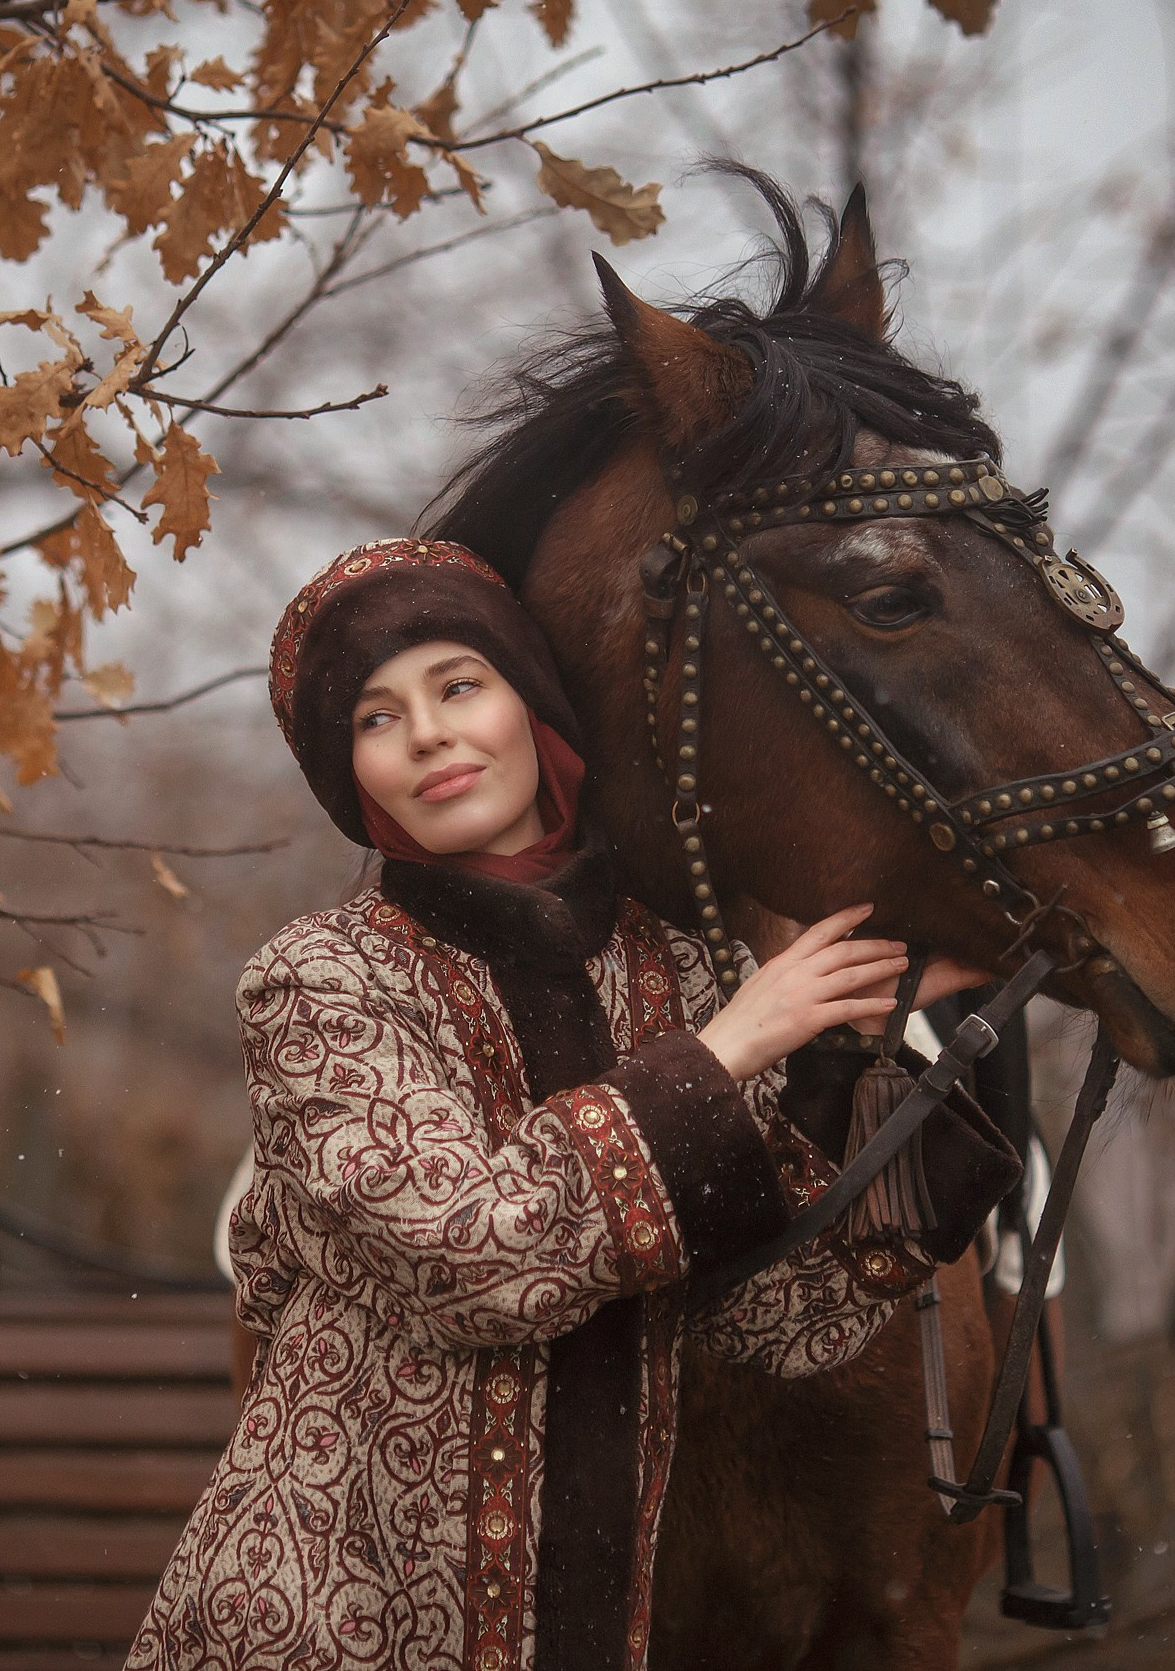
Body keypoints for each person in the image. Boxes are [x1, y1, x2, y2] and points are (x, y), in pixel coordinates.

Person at [128, 539, 1016, 1671]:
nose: (431, 735)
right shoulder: (321, 980)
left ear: (531, 706)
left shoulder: (678, 972)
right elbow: (472, 1259)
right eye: (374, 718)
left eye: (459, 686)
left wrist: (839, 1057)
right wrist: (730, 1046)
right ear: (349, 777)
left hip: (591, 1627)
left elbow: (778, 1322)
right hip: (330, 1620)